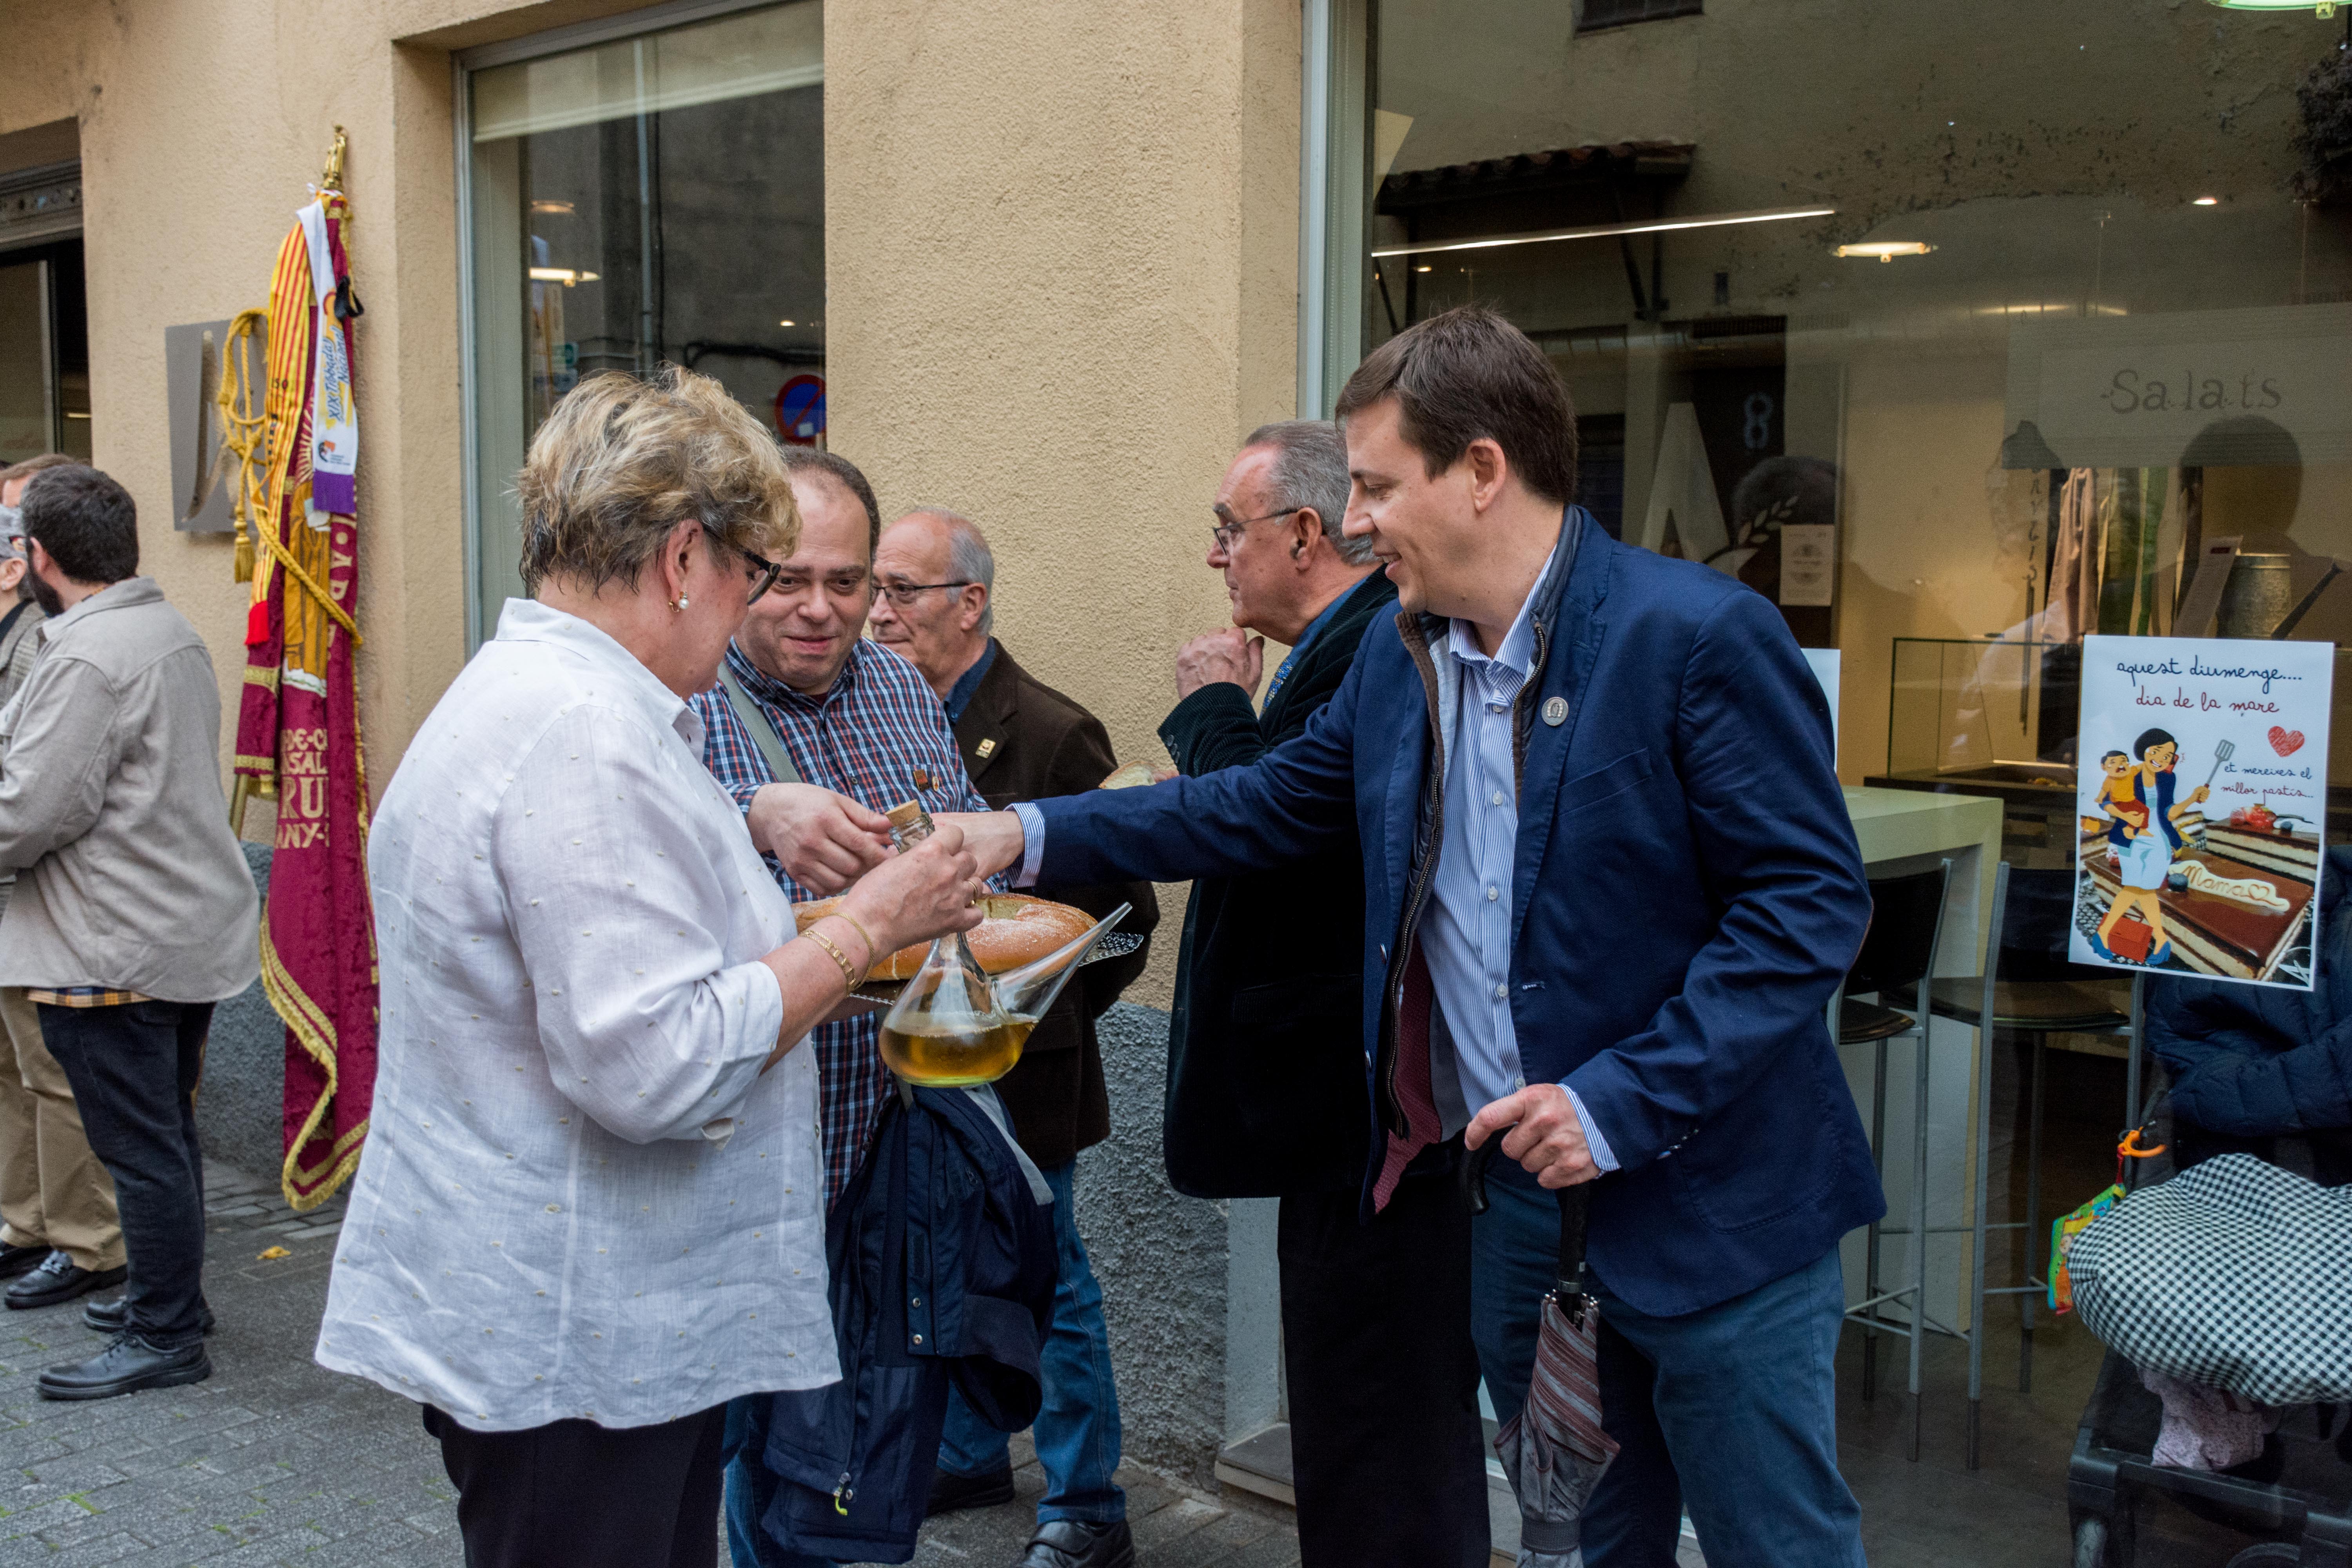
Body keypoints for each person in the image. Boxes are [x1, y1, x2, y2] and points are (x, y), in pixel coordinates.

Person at [944, 307, 1881, 1565]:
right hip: (1519, 1225)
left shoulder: (1693, 637)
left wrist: (1618, 1100)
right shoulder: (1403, 653)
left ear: (1483, 470)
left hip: (1719, 1219)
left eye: (1380, 485)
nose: (1359, 519)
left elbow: (1805, 907)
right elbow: (1264, 803)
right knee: (1592, 1544)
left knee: (1777, 1548)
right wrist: (1021, 837)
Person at [315, 367, 984, 1568]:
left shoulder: (544, 696)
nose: (754, 609)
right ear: (686, 560)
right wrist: (871, 919)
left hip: (569, 1324)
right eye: (752, 574)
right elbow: (660, 1067)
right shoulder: (584, 736)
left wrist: (758, 831)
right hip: (578, 1339)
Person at [1156, 422, 1488, 1566]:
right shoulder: (1342, 646)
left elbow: (1282, 834)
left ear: (1304, 533)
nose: (1216, 558)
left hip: (1368, 1121)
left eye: (1226, 531)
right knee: (1365, 1425)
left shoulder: (1372, 649)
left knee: (1371, 1431)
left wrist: (1210, 714)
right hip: (1347, 1118)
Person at [869, 506, 1158, 1568]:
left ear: (970, 602)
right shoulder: (878, 711)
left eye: (902, 591)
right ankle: (972, 1450)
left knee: (1055, 1282)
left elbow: (1127, 919)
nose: (877, 613)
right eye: (877, 589)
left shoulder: (1049, 728)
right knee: (938, 1264)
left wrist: (1034, 1014)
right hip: (904, 1048)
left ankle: (1087, 1503)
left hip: (1021, 1067)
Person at [0, 464, 261, 1398]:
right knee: (167, 1140)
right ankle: (171, 1302)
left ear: (42, 556)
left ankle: (164, 1332)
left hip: (110, 944)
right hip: (170, 930)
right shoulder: (165, 627)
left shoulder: (84, 654)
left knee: (141, 1150)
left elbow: (27, 810)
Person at [686, 449, 998, 1207]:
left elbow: (966, 834)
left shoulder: (902, 685)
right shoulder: (685, 695)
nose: (820, 609)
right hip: (753, 1158)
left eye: (847, 582)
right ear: (743, 570)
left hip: (903, 1138)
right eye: (789, 580)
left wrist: (970, 860)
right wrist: (753, 814)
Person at [0, 471, 119, 1306]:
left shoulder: (47, 642)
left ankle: (85, 1243)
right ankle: (27, 1219)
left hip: (33, 885)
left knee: (47, 1071)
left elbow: (35, 785)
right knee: (10, 1067)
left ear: (19, 564)